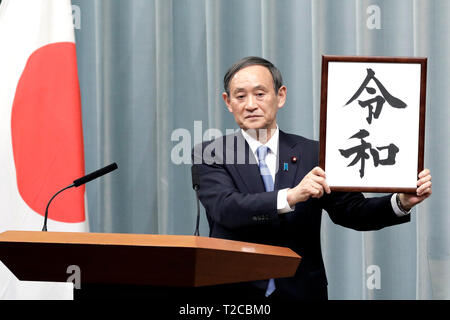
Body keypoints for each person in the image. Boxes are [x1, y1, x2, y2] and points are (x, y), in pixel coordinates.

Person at [191, 56, 432, 301]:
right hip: (234, 293)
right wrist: (292, 196)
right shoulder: (211, 153)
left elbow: (351, 211)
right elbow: (226, 208)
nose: (250, 104)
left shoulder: (314, 153)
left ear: (281, 96)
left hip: (301, 291)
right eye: (240, 96)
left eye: (260, 94)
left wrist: (401, 202)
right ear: (228, 102)